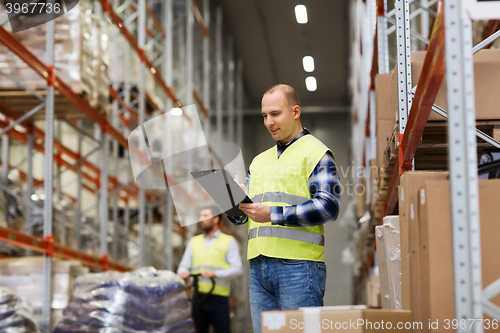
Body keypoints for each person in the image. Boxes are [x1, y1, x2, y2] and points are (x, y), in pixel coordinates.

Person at [230, 84, 340, 333]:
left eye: (275, 114)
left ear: (295, 111)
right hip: (259, 268)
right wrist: (232, 201)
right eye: (264, 116)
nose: (269, 122)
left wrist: (273, 214)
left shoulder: (316, 153)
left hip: (299, 267)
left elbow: (328, 207)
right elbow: (242, 219)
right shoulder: (259, 161)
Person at [178, 206, 243, 333]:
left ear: (216, 219)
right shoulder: (194, 241)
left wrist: (215, 273)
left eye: (205, 216)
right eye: (200, 216)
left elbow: (237, 269)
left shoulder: (228, 241)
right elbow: (183, 267)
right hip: (197, 298)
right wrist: (183, 273)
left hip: (218, 299)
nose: (200, 219)